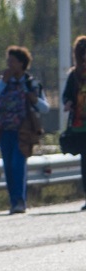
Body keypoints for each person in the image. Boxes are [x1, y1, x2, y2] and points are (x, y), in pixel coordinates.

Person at [0, 44, 47, 215]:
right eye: (8, 61)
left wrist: (34, 100)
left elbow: (45, 108)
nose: (9, 65)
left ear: (22, 63)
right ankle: (13, 201)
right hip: (4, 130)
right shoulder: (1, 82)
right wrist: (3, 82)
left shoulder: (31, 84)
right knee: (8, 166)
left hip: (23, 131)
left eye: (13, 62)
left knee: (18, 164)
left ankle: (20, 201)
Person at [59, 36, 86, 208]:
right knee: (85, 163)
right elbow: (66, 95)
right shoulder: (74, 75)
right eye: (82, 54)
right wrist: (68, 102)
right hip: (80, 126)